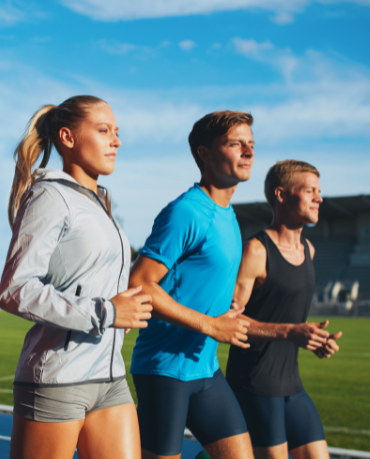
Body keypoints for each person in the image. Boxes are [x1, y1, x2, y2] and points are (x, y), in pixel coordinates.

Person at [0, 96, 153, 459]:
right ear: (67, 137)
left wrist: (124, 311)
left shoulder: (99, 203)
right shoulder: (49, 196)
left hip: (110, 377)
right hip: (59, 380)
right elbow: (16, 289)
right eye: (103, 131)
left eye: (117, 132)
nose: (116, 141)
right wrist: (107, 312)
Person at [128, 110, 257, 459]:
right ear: (205, 153)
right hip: (165, 369)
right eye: (236, 144)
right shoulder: (186, 212)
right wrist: (210, 325)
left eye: (250, 144)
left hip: (206, 368)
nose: (248, 151)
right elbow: (140, 283)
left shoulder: (228, 215)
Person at [226, 160, 342, 459]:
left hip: (291, 381)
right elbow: (228, 321)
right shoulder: (256, 250)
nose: (319, 198)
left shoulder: (309, 250)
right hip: (254, 382)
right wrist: (289, 332)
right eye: (310, 190)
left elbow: (287, 316)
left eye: (319, 191)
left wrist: (313, 338)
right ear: (280, 194)